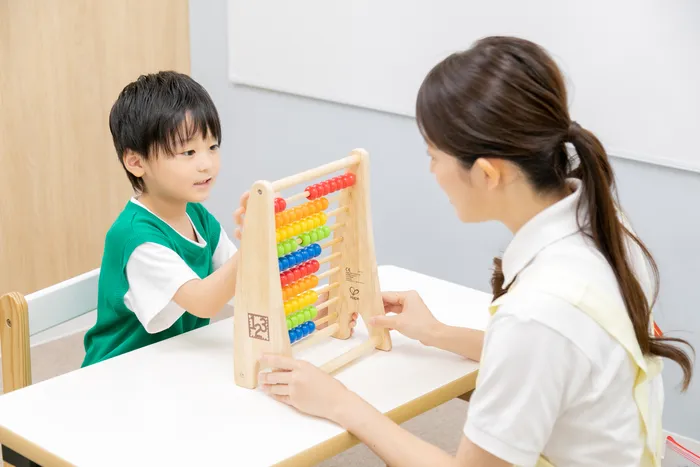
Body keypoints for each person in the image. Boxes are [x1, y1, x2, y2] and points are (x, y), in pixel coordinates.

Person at [252, 37, 695, 466]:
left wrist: (342, 404)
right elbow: (555, 360)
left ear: (486, 174)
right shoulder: (606, 224)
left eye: (433, 155)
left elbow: (538, 341)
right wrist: (438, 333)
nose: (431, 171)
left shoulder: (538, 314)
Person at [82, 71, 241, 366]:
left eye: (213, 147)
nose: (206, 164)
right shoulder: (135, 237)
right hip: (119, 374)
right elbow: (204, 301)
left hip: (174, 363)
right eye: (188, 152)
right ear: (136, 162)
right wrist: (255, 247)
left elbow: (242, 284)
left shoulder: (197, 216)